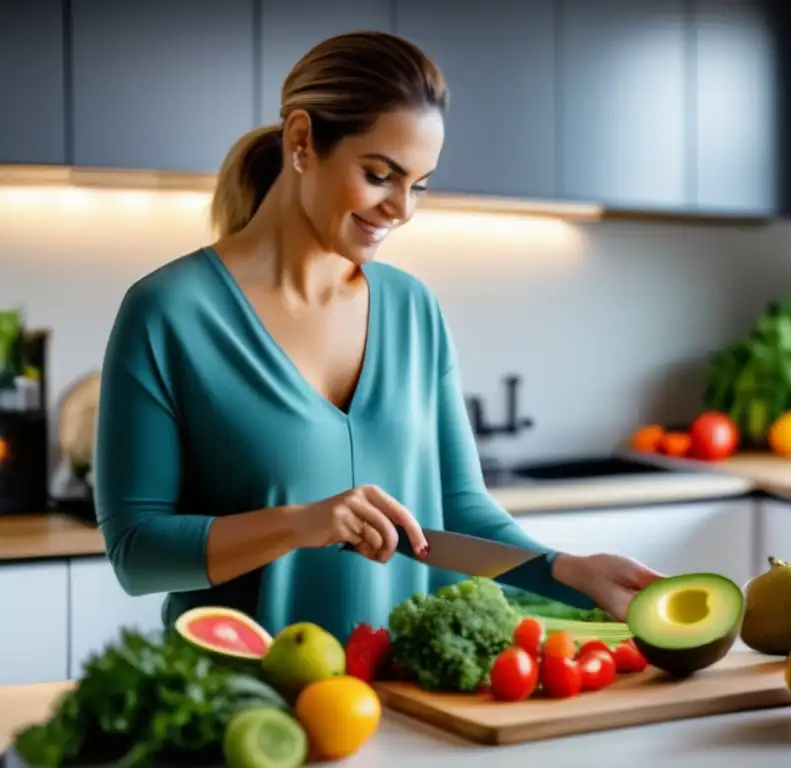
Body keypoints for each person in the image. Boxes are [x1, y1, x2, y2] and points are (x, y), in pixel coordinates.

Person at [94, 31, 663, 643]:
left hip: (408, 701)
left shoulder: (414, 309)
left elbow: (453, 515)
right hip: (247, 706)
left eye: (418, 184)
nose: (402, 209)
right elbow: (137, 551)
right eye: (379, 174)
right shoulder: (168, 313)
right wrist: (300, 523)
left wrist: (564, 571)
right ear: (302, 141)